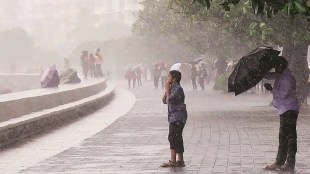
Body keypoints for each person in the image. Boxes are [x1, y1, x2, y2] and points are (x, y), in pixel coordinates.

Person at [263, 56, 299, 172]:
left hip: (289, 109)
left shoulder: (287, 78)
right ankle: (280, 162)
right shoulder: (282, 73)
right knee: (284, 136)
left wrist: (271, 89)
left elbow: (283, 93)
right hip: (285, 109)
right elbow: (270, 76)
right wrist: (261, 73)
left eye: (276, 67)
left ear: (281, 66)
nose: (275, 69)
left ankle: (288, 163)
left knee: (289, 137)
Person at [161, 70, 187, 168]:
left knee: (172, 137)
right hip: (174, 116)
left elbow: (170, 100)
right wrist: (167, 90)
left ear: (174, 78)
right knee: (177, 136)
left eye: (169, 76)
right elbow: (164, 101)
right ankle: (180, 160)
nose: (167, 78)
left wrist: (168, 90)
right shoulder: (173, 88)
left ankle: (173, 161)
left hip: (178, 116)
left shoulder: (178, 89)